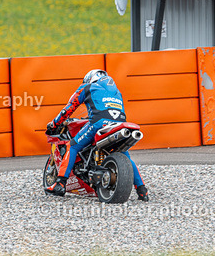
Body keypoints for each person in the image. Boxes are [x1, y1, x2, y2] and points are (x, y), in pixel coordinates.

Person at [44, 69, 148, 201]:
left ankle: (60, 184)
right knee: (124, 155)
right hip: (119, 125)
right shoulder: (117, 92)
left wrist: (54, 124)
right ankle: (142, 190)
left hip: (98, 123)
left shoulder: (87, 87)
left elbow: (68, 109)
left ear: (90, 79)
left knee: (73, 146)